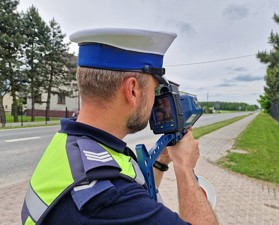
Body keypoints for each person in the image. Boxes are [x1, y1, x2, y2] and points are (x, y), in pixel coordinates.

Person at [21, 28, 218, 225]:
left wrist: (159, 162)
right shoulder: (108, 197)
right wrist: (184, 167)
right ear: (132, 89)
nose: (155, 102)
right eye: (154, 90)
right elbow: (127, 201)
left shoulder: (72, 143)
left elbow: (139, 200)